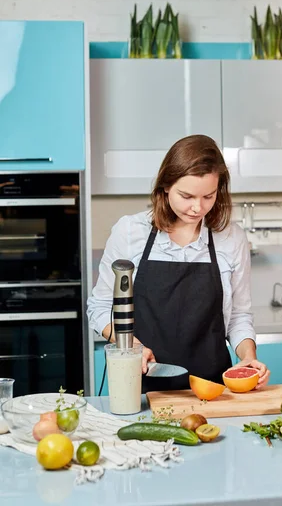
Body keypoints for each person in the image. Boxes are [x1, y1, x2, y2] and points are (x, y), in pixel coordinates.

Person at [87, 135, 270, 392]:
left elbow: (239, 316)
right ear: (165, 186)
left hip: (212, 390)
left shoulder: (231, 238)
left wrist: (248, 357)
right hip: (140, 386)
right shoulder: (130, 232)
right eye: (186, 196)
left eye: (209, 196)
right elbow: (101, 307)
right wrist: (132, 346)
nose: (197, 208)